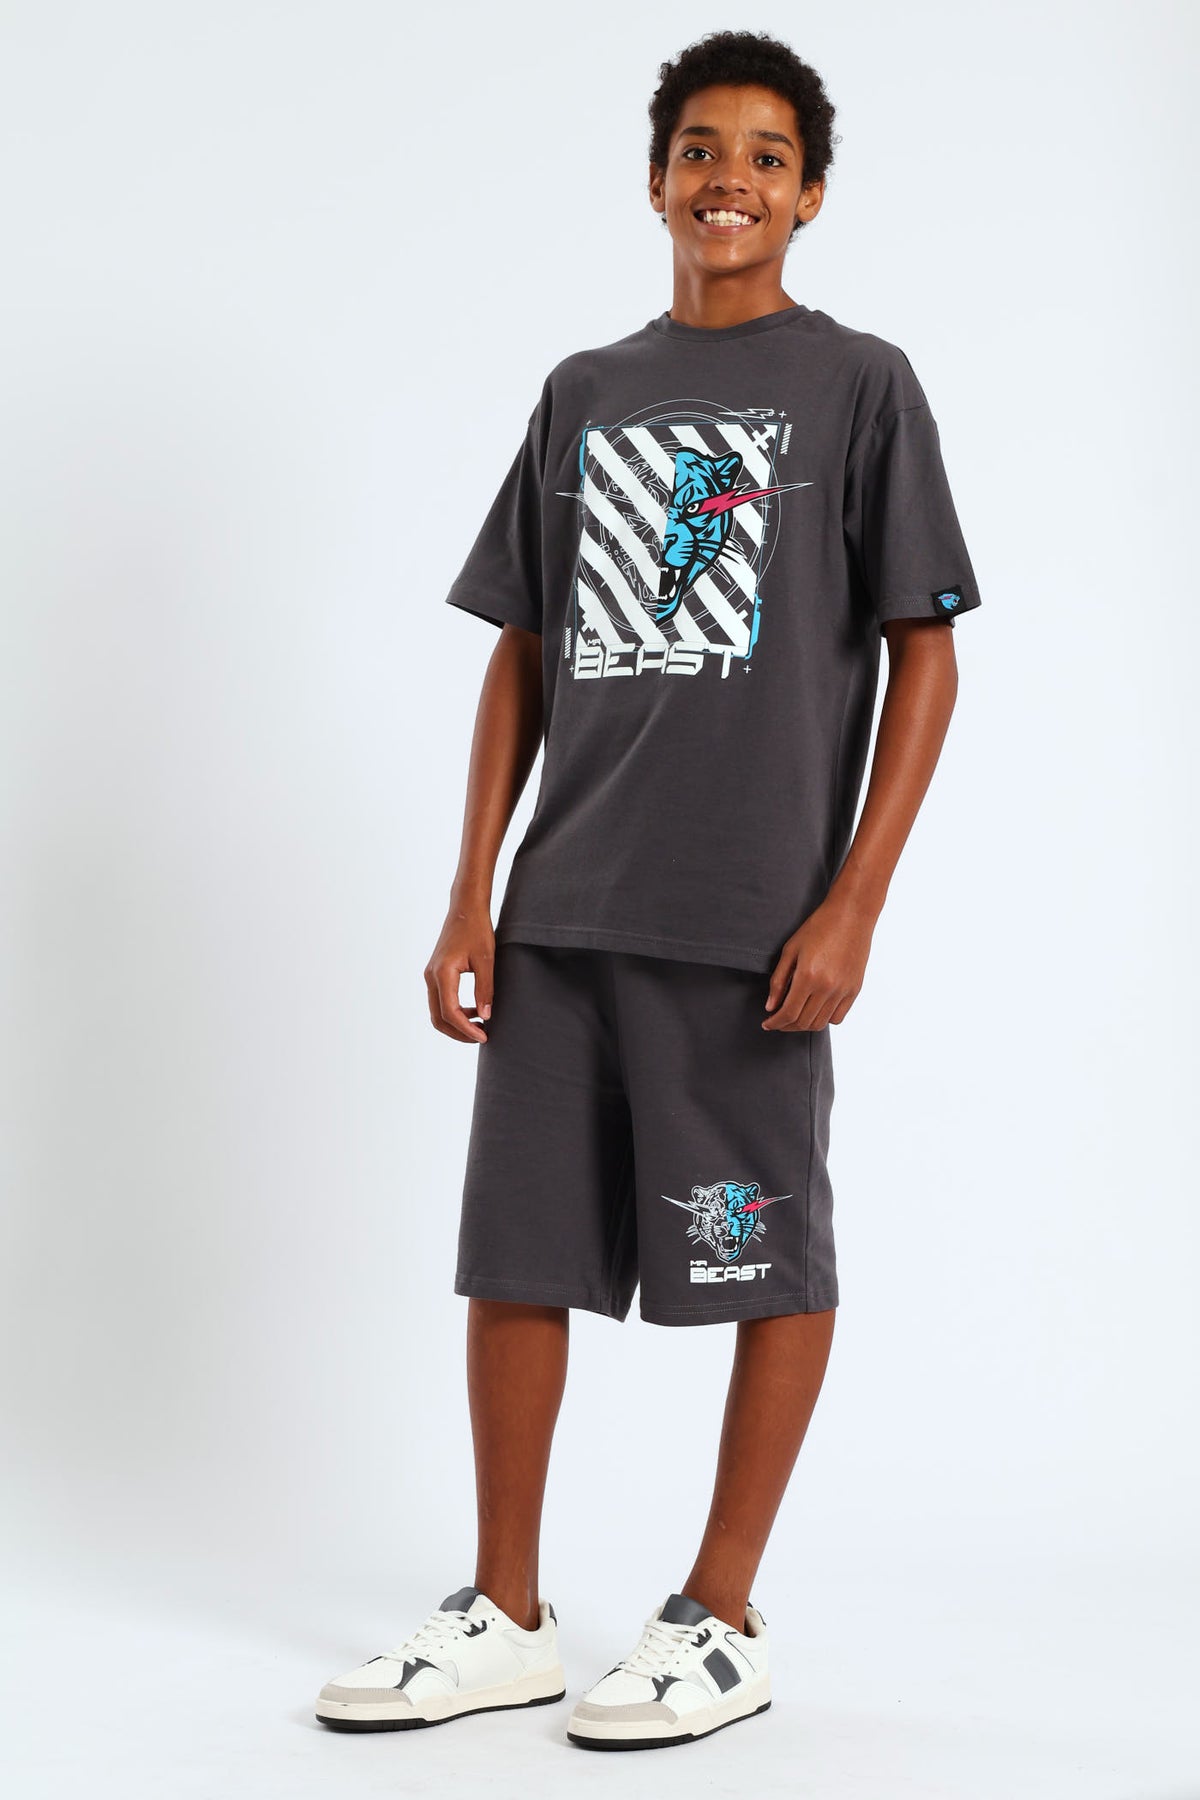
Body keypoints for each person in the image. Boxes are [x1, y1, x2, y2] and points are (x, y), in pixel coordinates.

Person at [316, 27, 982, 1752]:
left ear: (810, 195)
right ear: (656, 178)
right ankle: (508, 1612)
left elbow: (925, 656)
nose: (728, 178)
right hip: (562, 910)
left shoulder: (861, 386)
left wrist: (854, 902)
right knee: (516, 1255)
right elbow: (524, 652)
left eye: (766, 155)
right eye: (700, 148)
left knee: (765, 1250)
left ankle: (722, 1614)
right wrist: (471, 895)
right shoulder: (584, 391)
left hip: (747, 922)